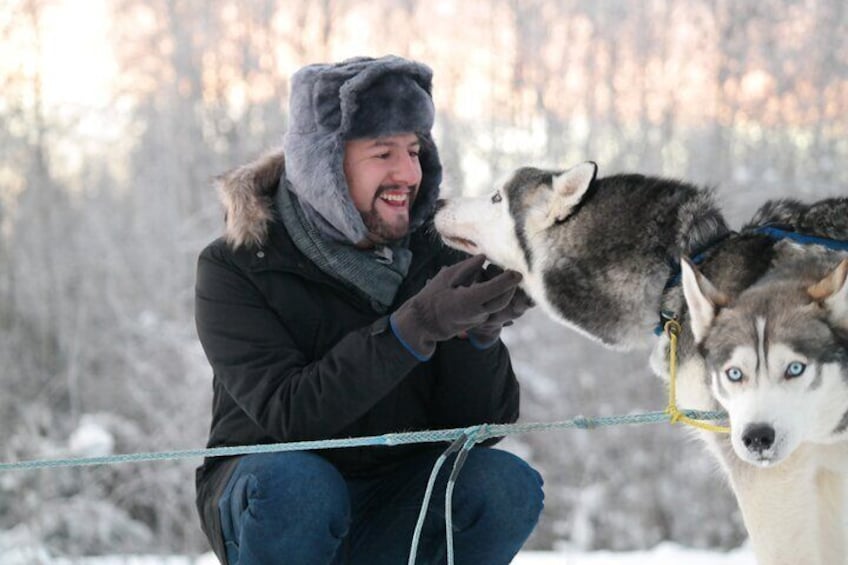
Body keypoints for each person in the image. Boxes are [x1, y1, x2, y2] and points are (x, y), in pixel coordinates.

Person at [194, 55, 544, 565]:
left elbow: (481, 427)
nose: (408, 173)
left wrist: (477, 337)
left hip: (395, 497)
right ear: (324, 167)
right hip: (275, 502)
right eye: (383, 153)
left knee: (504, 485)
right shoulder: (239, 266)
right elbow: (291, 415)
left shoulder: (437, 253)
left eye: (414, 150)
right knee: (301, 487)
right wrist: (418, 325)